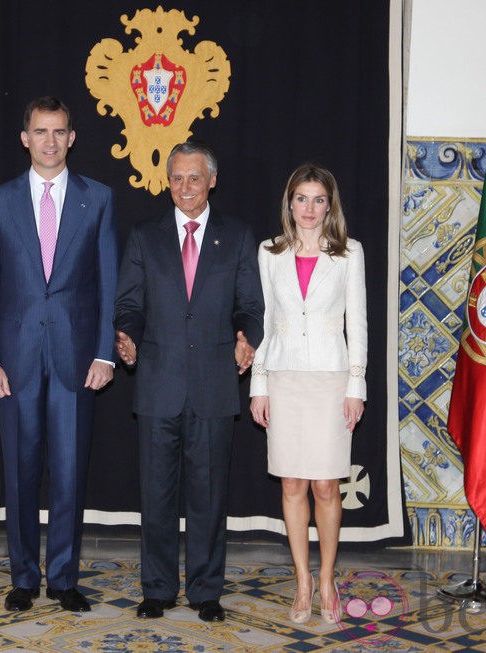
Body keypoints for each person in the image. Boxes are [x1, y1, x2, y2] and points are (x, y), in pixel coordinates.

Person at [0, 96, 120, 613]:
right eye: (41, 131)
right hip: (14, 362)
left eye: (59, 132)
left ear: (72, 138)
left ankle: (63, 577)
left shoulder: (97, 198)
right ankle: (22, 577)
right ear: (25, 138)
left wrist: (105, 351)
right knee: (20, 471)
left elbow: (108, 282)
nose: (50, 141)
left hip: (77, 360)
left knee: (69, 472)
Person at [114, 141, 264, 623]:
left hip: (215, 384)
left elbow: (251, 304)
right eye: (176, 178)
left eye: (194, 178)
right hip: (158, 382)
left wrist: (247, 335)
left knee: (208, 496)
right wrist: (127, 336)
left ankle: (205, 591)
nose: (184, 187)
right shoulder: (144, 235)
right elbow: (129, 304)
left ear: (211, 181)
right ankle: (156, 589)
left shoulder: (238, 236)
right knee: (156, 495)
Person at [248, 163, 366, 625]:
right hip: (283, 377)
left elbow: (357, 325)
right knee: (293, 483)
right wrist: (259, 385)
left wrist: (356, 386)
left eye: (319, 199)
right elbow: (262, 322)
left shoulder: (348, 254)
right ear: (289, 203)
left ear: (329, 205)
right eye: (302, 198)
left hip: (331, 381)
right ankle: (302, 582)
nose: (310, 208)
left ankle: (328, 578)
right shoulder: (269, 252)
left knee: (325, 485)